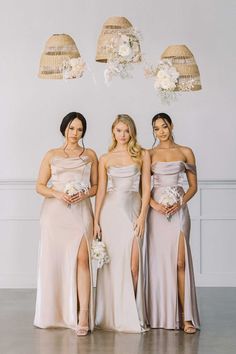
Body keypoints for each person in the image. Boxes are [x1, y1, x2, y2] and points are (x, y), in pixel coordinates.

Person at [34, 112, 98, 336]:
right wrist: (57, 194)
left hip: (81, 212)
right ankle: (56, 312)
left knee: (82, 260)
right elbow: (39, 185)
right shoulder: (51, 154)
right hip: (55, 214)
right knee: (56, 263)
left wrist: (83, 195)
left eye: (80, 130)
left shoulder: (90, 155)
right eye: (72, 128)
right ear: (64, 129)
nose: (75, 133)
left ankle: (83, 315)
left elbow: (96, 187)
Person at [94, 114, 150, 333]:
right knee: (114, 266)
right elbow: (100, 191)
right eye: (119, 130)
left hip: (133, 211)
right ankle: (115, 313)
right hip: (110, 213)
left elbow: (146, 188)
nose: (123, 135)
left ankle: (131, 313)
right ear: (113, 132)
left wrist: (142, 216)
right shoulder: (105, 158)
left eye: (126, 131)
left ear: (132, 132)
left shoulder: (142, 155)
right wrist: (96, 220)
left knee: (134, 266)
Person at [147, 113, 200, 333]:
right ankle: (160, 315)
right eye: (157, 128)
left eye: (164, 127)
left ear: (172, 126)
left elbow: (193, 187)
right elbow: (142, 187)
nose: (161, 132)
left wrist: (179, 203)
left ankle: (185, 316)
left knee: (180, 262)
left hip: (179, 211)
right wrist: (154, 205)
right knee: (159, 264)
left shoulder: (185, 152)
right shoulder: (148, 154)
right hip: (156, 212)